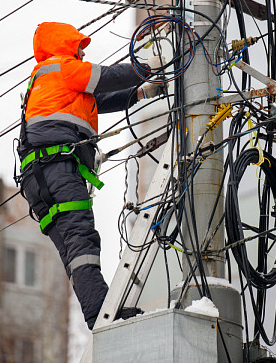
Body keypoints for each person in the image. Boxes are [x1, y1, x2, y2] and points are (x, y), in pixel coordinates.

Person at [16, 22, 165, 329]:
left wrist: (140, 92)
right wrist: (147, 67)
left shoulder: (45, 80)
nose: (82, 52)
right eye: (79, 47)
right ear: (65, 44)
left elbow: (97, 101)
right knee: (81, 239)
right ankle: (100, 314)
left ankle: (98, 311)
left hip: (37, 178)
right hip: (58, 170)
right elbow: (104, 78)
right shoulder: (62, 67)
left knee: (73, 249)